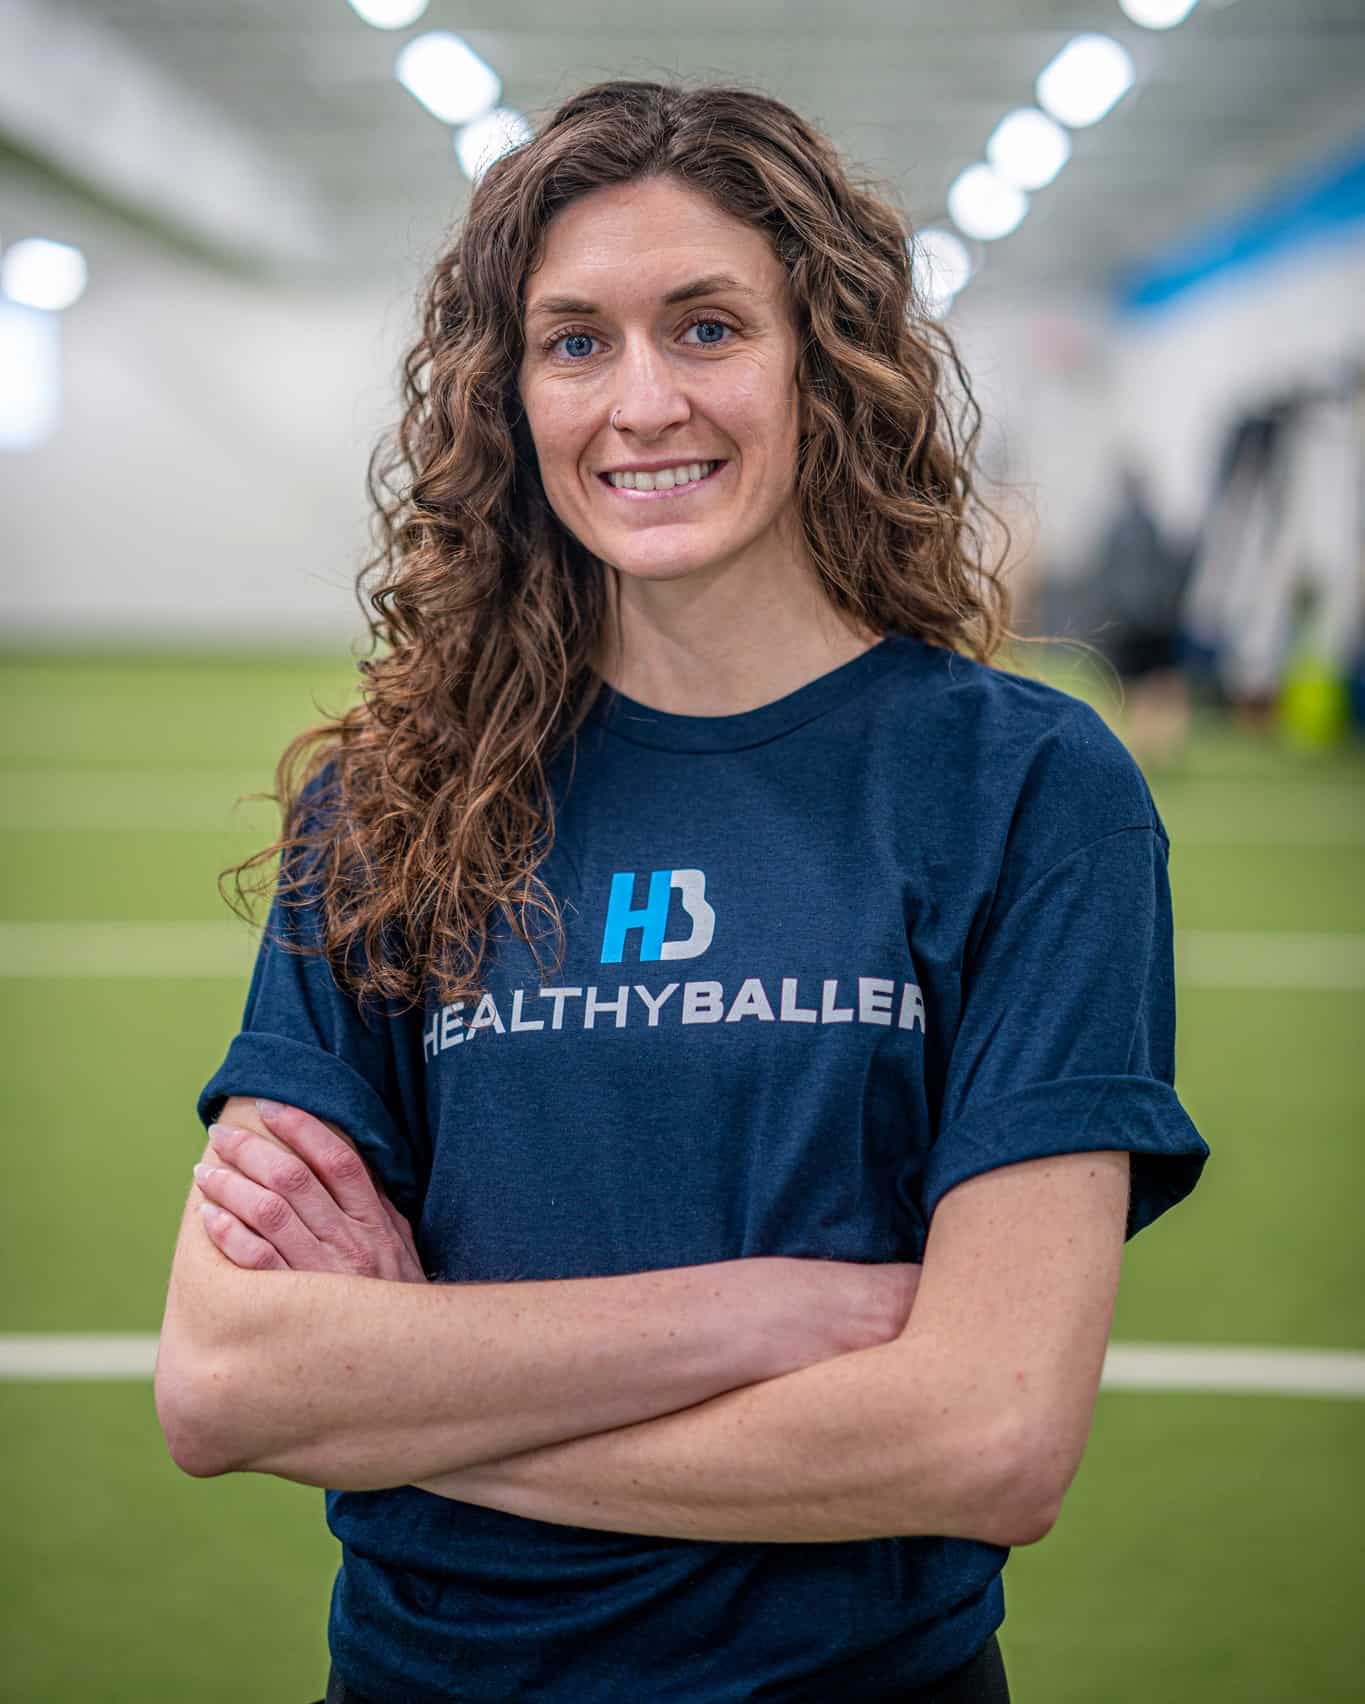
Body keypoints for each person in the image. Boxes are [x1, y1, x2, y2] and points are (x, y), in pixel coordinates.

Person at [154, 79, 1209, 1704]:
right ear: (508, 397)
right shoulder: (389, 801)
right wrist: (762, 1314)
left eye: (705, 327)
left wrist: (418, 1400)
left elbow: (986, 1435)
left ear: (825, 366)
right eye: (574, 341)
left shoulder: (1027, 792)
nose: (639, 401)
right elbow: (229, 1383)